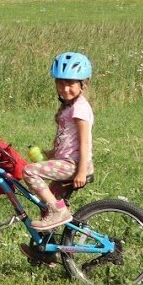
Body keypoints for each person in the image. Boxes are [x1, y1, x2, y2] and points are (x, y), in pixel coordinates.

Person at [25, 51, 96, 232]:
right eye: (60, 84)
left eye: (70, 84)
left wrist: (81, 172)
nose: (65, 89)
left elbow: (84, 142)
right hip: (66, 162)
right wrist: (49, 154)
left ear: (83, 84)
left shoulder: (80, 108)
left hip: (75, 165)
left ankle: (59, 212)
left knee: (29, 171)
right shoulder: (68, 107)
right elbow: (67, 142)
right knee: (46, 208)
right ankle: (48, 252)